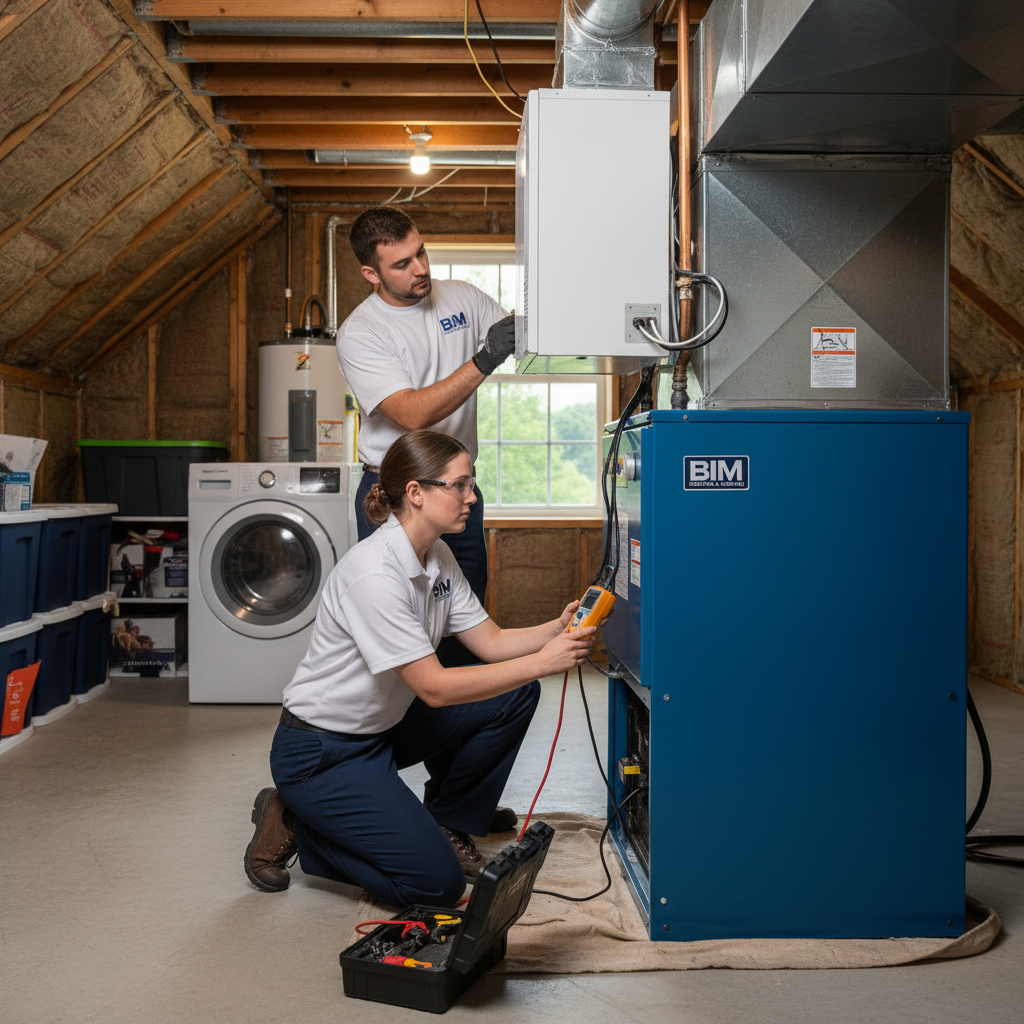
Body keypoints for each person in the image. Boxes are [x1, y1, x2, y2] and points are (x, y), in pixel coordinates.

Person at [244, 430, 597, 909]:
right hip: (321, 751)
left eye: (472, 484)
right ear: (416, 492)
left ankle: (449, 822)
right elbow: (433, 688)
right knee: (437, 886)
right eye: (460, 484)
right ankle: (298, 824)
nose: (472, 496)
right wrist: (542, 661)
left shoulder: (437, 556)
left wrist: (554, 630)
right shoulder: (375, 574)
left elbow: (490, 643)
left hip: (384, 732)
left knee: (517, 692)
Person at [336, 207, 515, 652]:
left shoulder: (463, 298)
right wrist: (483, 360)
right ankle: (405, 720)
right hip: (393, 490)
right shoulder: (361, 332)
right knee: (403, 625)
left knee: (464, 621)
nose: (421, 269)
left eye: (421, 253)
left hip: (455, 487)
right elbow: (412, 413)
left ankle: (463, 717)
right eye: (401, 264)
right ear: (370, 273)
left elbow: (525, 337)